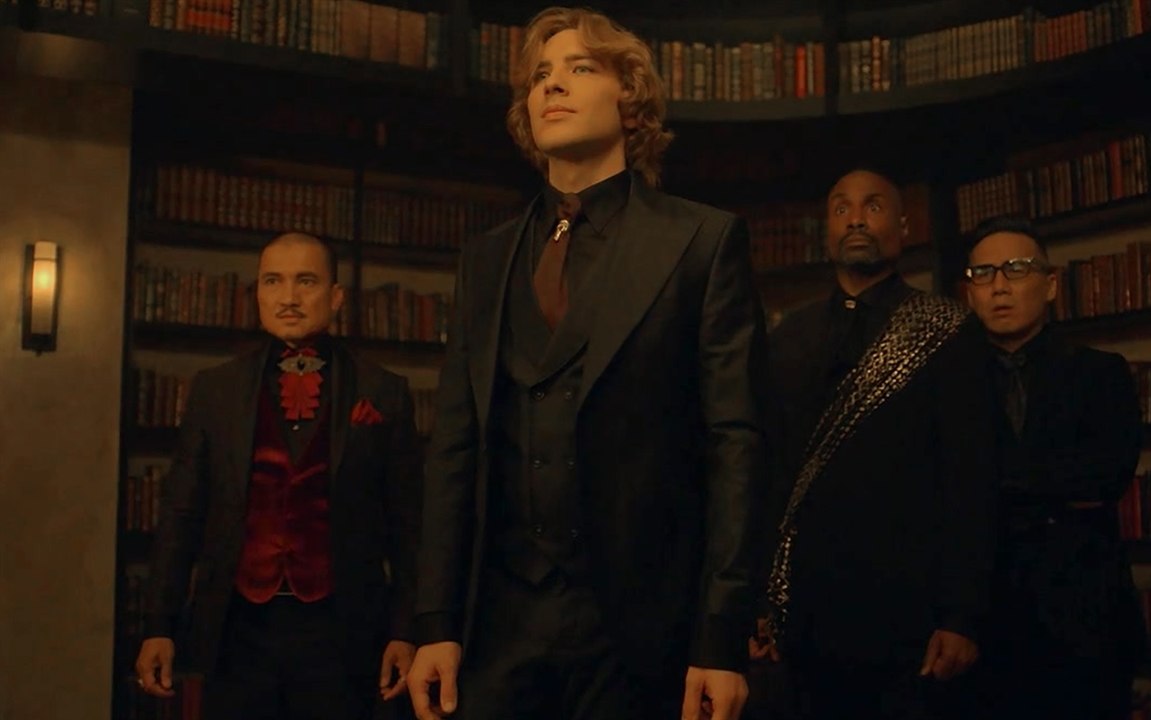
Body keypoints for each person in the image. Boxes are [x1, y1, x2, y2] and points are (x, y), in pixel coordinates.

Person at [405, 6, 769, 720]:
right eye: (540, 75)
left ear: (629, 98)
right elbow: (453, 448)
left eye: (579, 68)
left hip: (640, 630)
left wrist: (721, 637)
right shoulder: (486, 259)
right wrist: (435, 622)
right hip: (498, 626)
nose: (552, 85)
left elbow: (737, 447)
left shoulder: (701, 241)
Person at [135, 232, 423, 720]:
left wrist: (406, 630)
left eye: (305, 281)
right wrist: (159, 624)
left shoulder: (384, 392)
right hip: (236, 628)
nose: (288, 297)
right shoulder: (214, 390)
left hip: (343, 631)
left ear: (335, 296)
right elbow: (181, 513)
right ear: (258, 294)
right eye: (273, 281)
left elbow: (409, 526)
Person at [759, 168, 998, 719]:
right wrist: (759, 600)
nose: (856, 220)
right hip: (807, 606)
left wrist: (961, 615)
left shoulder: (947, 329)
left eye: (873, 206)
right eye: (841, 208)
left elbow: (971, 480)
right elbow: (768, 473)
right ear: (827, 229)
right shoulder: (789, 336)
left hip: (908, 611)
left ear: (903, 226)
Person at [963, 215, 1143, 720]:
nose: (999, 286)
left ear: (1050, 285)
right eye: (984, 274)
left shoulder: (1099, 372)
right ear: (969, 293)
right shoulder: (948, 384)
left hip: (1083, 615)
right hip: (982, 620)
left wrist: (991, 485)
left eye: (1017, 269)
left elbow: (1105, 476)